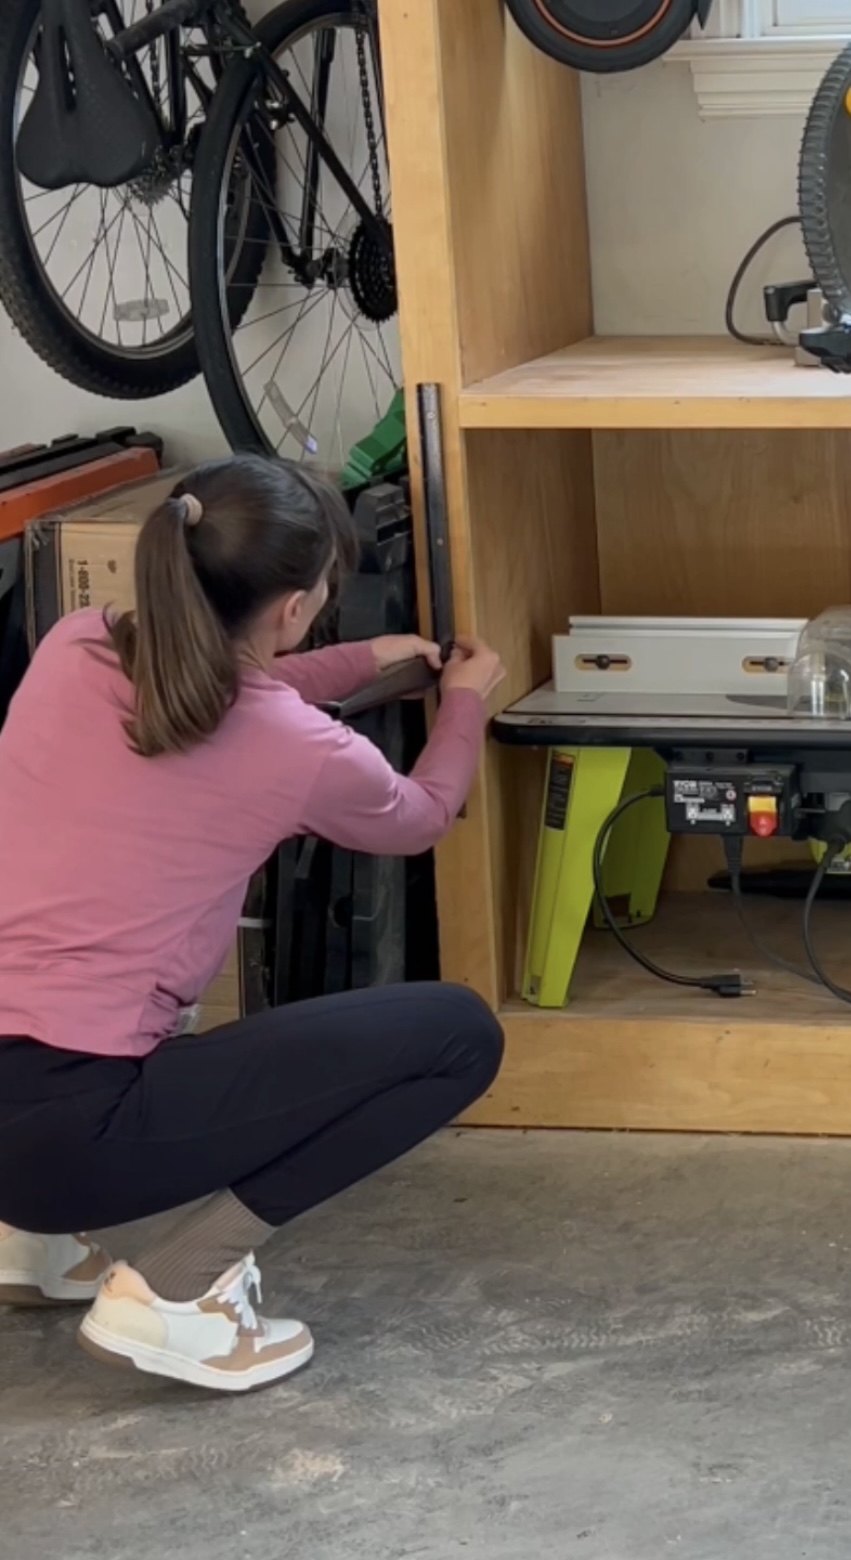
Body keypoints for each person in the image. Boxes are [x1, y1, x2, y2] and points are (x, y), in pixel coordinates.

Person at [0, 455, 506, 1393]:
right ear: (292, 610)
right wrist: (467, 697)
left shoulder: (73, 646)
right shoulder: (297, 746)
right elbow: (422, 813)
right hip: (68, 1133)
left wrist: (359, 664)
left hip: (21, 1111)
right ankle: (180, 1293)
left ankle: (24, 1245)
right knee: (458, 1034)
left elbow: (210, 685)